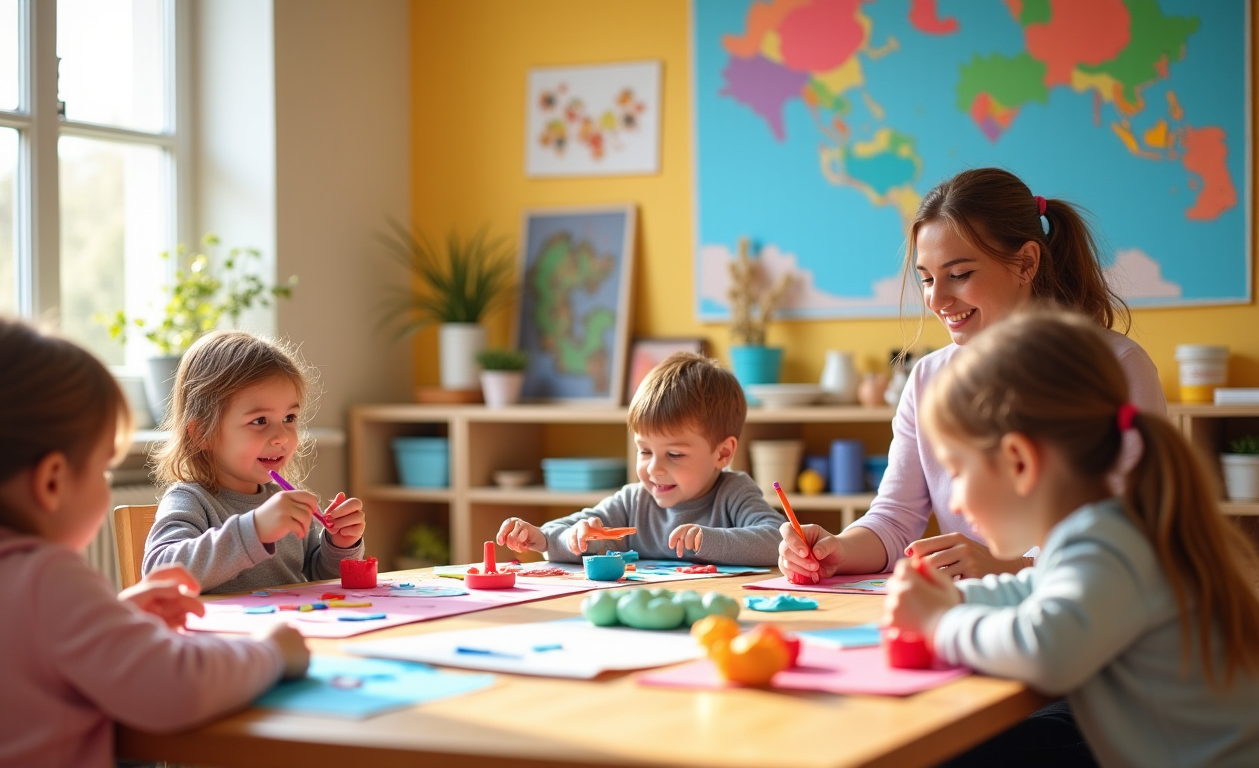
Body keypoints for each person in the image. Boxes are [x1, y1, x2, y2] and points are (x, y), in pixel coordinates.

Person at [0, 318, 309, 768]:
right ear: (52, 481)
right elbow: (178, 688)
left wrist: (116, 616)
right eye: (104, 469)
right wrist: (271, 653)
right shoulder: (45, 579)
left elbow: (31, 648)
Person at [883, 309, 1259, 766]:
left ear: (1019, 461)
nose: (955, 502)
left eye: (958, 473)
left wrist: (941, 623)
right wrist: (958, 599)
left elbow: (1047, 650)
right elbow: (1033, 590)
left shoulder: (1108, 545)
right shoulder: (1103, 532)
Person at [779, 167, 1167, 582]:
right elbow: (893, 519)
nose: (937, 299)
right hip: (980, 615)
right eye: (926, 279)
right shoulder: (928, 378)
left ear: (1026, 262)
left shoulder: (1117, 367)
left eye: (959, 275)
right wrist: (837, 549)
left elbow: (1139, 534)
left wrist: (1013, 567)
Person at [497, 352, 784, 564]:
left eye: (674, 454)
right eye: (644, 451)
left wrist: (707, 539)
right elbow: (563, 532)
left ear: (722, 453)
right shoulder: (633, 501)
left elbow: (777, 540)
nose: (654, 469)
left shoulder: (733, 493)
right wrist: (548, 538)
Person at [143, 330, 365, 593]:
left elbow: (321, 575)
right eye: (259, 421)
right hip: (224, 633)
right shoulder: (191, 500)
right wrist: (255, 530)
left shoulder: (283, 499)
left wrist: (340, 545)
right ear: (203, 433)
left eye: (289, 418)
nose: (282, 436)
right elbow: (160, 573)